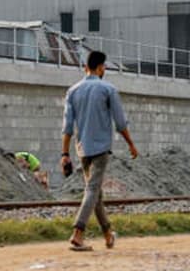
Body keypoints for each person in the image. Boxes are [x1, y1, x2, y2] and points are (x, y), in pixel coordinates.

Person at [60, 51, 139, 252]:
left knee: (96, 194)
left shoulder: (73, 91)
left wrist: (65, 154)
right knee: (92, 191)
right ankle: (78, 233)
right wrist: (131, 143)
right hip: (101, 148)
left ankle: (107, 234)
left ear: (86, 67)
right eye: (104, 67)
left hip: (82, 150)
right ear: (101, 67)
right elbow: (120, 122)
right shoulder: (108, 89)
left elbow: (67, 127)